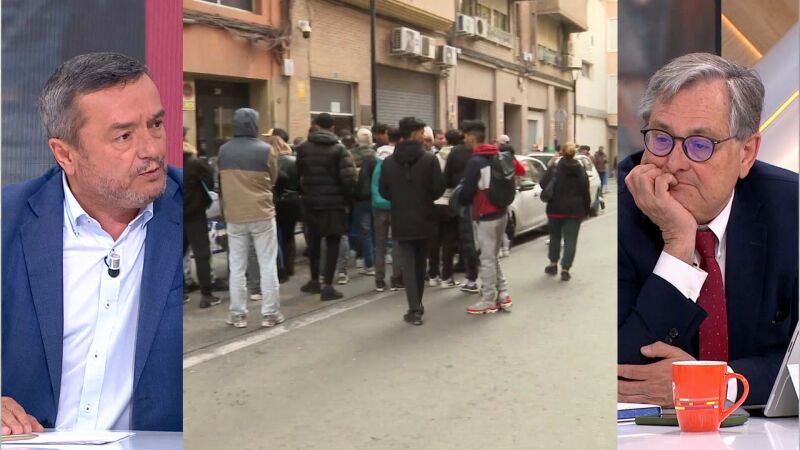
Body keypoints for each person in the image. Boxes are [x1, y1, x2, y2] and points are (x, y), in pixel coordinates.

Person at [2, 52, 182, 434]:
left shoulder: (187, 212)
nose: (152, 149)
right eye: (124, 136)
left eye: (155, 124)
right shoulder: (9, 219)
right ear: (65, 154)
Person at [618, 53, 798, 408]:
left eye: (700, 145)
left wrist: (714, 385)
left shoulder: (791, 209)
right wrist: (678, 244)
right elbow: (622, 376)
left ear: (746, 153)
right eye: (661, 138)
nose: (674, 163)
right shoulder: (619, 213)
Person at [218, 108, 283, 329]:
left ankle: (238, 314)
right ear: (255, 124)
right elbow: (273, 178)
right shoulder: (265, 150)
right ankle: (270, 314)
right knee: (267, 264)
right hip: (262, 213)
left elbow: (220, 181)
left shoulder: (224, 151)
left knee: (237, 266)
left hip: (234, 215)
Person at [379, 117, 445, 325]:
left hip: (401, 217)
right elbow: (438, 188)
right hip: (424, 216)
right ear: (415, 133)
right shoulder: (429, 159)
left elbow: (383, 190)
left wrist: (399, 198)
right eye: (422, 132)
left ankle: (414, 308)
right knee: (420, 261)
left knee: (408, 262)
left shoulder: (389, 161)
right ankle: (418, 305)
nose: (424, 136)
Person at [458, 120, 524, 314]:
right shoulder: (499, 155)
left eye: (465, 136)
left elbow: (466, 193)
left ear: (472, 137)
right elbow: (520, 171)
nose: (464, 140)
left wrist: (461, 198)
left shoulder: (475, 162)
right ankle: (503, 293)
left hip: (485, 215)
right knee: (492, 256)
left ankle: (488, 299)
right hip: (502, 212)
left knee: (487, 259)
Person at [296, 113, 357, 301]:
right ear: (332, 127)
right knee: (332, 243)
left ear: (315, 125)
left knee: (313, 243)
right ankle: (328, 285)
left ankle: (314, 280)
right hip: (333, 204)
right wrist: (347, 200)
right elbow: (349, 178)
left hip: (311, 203)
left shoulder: (303, 148)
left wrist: (305, 193)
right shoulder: (339, 149)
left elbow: (298, 175)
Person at [541, 143, 590, 281]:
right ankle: (565, 269)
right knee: (571, 240)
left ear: (562, 152)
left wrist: (550, 165)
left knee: (555, 237)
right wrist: (586, 210)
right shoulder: (580, 169)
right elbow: (585, 191)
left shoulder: (555, 167)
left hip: (555, 209)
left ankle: (553, 264)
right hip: (575, 210)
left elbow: (543, 184)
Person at [183, 126, 221, 308]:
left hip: (172, 215)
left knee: (176, 255)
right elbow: (210, 182)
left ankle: (180, 292)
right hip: (194, 214)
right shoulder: (195, 163)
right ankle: (206, 294)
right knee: (201, 253)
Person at [444, 126, 480, 293]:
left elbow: (446, 178)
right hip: (484, 204)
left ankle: (469, 277)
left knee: (463, 239)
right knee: (482, 242)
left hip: (463, 201)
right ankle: (488, 280)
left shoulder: (456, 153)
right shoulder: (489, 154)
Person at [427, 129, 461, 288]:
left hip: (435, 201)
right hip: (451, 201)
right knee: (449, 241)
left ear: (446, 140)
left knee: (434, 240)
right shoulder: (458, 156)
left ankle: (433, 275)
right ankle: (446, 277)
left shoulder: (436, 156)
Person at [371, 127, 403, 291]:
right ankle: (396, 278)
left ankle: (379, 279)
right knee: (397, 243)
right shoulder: (399, 160)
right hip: (395, 204)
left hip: (378, 204)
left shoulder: (375, 159)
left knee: (380, 244)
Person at [266, 130, 301, 283]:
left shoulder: (270, 161)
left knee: (275, 235)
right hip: (293, 201)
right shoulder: (294, 161)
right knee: (289, 235)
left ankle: (279, 267)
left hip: (275, 201)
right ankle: (290, 266)